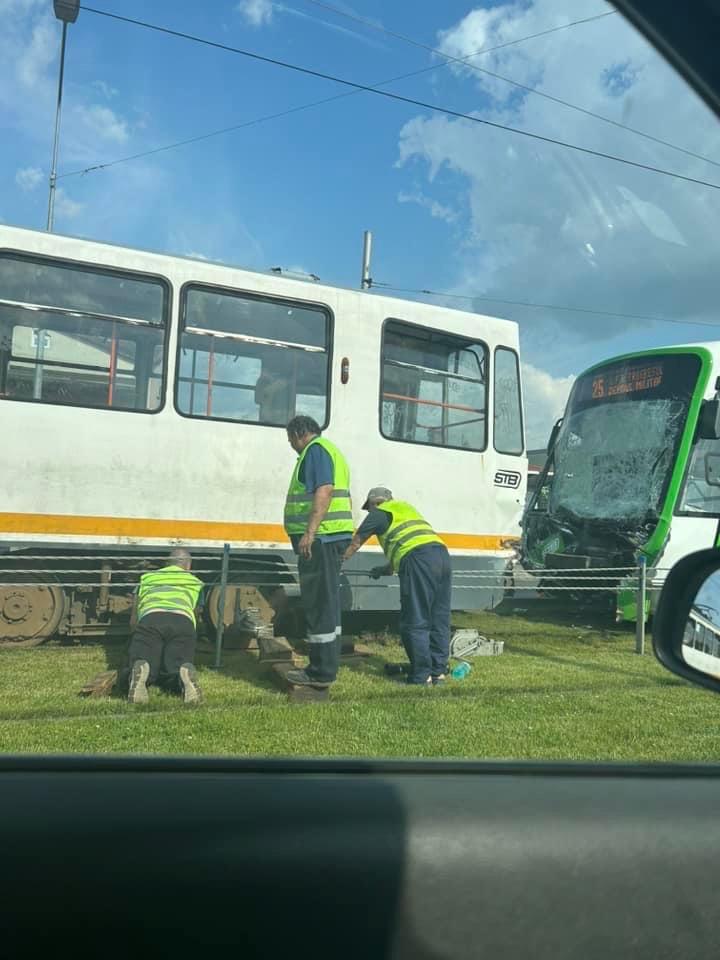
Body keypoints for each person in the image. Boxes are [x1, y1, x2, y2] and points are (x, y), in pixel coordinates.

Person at [343, 487, 452, 686]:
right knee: (439, 618)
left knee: (415, 619)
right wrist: (386, 569)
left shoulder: (379, 513)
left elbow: (355, 543)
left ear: (375, 503)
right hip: (441, 555)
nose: (369, 512)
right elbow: (408, 542)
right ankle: (438, 672)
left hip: (418, 561)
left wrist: (333, 563)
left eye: (369, 508)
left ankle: (421, 677)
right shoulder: (406, 509)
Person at [283, 415, 354, 687]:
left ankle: (320, 672)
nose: (290, 445)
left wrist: (309, 533)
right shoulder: (331, 451)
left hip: (321, 540)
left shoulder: (315, 451)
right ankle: (326, 666)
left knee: (319, 604)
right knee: (328, 603)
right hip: (330, 537)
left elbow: (324, 490)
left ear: (298, 434)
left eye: (290, 439)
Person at [127, 548, 204, 705]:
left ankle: (142, 674)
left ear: (167, 563)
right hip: (183, 621)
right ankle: (181, 676)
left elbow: (133, 617)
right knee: (174, 667)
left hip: (151, 619)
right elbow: (196, 613)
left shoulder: (147, 578)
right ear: (188, 565)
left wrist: (135, 636)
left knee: (143, 660)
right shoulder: (195, 582)